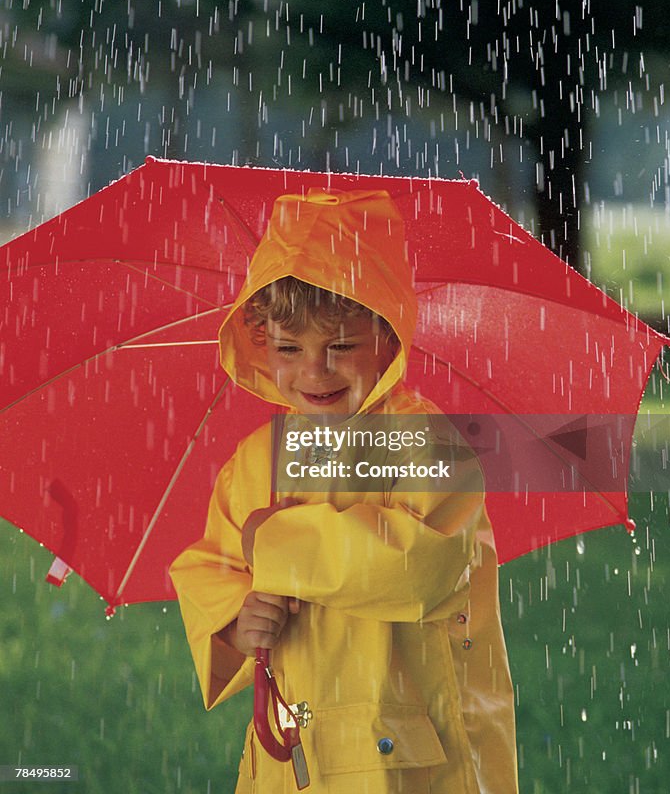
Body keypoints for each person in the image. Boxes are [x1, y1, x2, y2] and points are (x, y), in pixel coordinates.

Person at [170, 188, 518, 793]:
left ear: (387, 338)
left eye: (341, 346)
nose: (314, 370)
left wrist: (276, 543)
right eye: (288, 349)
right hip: (293, 750)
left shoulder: (425, 442)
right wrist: (236, 621)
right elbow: (215, 566)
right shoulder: (256, 460)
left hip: (408, 751)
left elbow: (418, 569)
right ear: (259, 346)